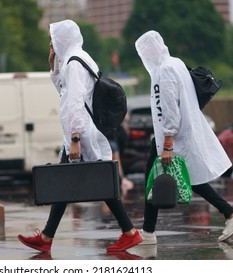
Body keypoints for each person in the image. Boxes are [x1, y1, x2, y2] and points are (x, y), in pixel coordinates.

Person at [17, 19, 141, 253]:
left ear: (63, 38)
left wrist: (75, 139)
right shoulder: (75, 59)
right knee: (72, 183)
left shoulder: (74, 63)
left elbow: (74, 101)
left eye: (52, 38)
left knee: (98, 182)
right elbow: (65, 91)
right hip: (79, 133)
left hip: (81, 134)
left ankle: (129, 232)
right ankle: (48, 236)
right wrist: (53, 66)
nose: (51, 43)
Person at [134, 30, 233, 245]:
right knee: (170, 176)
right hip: (177, 133)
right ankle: (148, 231)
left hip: (173, 136)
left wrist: (167, 143)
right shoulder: (175, 62)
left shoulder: (164, 70)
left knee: (178, 178)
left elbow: (169, 107)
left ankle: (230, 213)